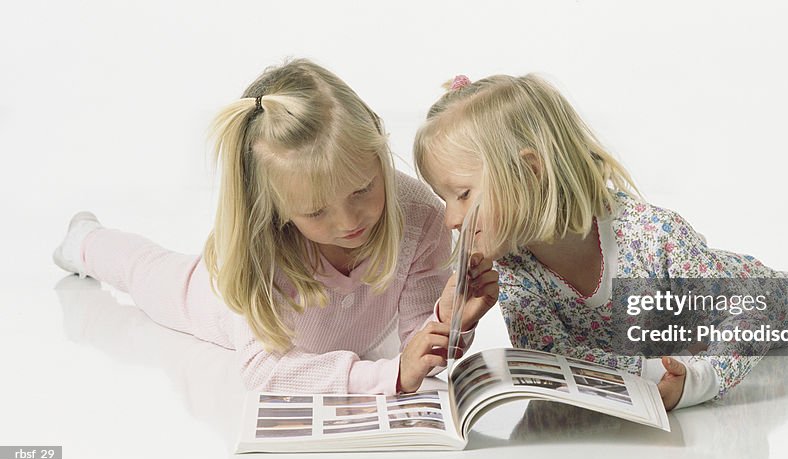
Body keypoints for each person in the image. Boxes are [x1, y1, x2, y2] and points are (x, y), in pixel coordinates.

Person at [412, 73, 788, 410]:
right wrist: (459, 318)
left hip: (741, 297)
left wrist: (699, 380)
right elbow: (550, 357)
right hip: (663, 350)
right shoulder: (515, 272)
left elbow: (749, 312)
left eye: (462, 195)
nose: (451, 219)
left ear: (530, 173)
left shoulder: (651, 236)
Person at [52, 60, 498, 395]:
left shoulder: (419, 213)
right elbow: (263, 369)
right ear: (277, 209)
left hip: (350, 336)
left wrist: (449, 317)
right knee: (146, 271)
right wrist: (385, 375)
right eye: (316, 212)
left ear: (379, 150)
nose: (349, 223)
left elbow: (419, 350)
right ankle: (84, 240)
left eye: (362, 189)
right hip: (218, 301)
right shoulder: (257, 246)